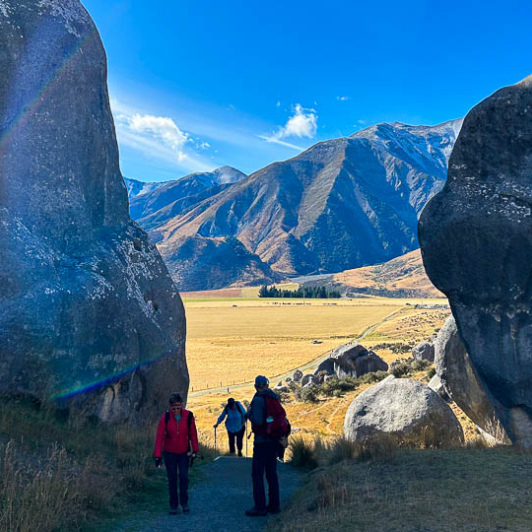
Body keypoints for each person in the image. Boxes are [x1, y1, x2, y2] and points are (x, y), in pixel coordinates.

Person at [245, 375, 289, 517]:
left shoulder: (258, 400)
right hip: (274, 442)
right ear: (267, 385)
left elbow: (257, 421)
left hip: (261, 442)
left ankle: (260, 507)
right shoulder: (273, 397)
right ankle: (274, 506)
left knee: (257, 475)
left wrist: (249, 413)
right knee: (271, 474)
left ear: (256, 386)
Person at [154, 393, 199, 515]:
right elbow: (159, 437)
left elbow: (193, 434)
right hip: (169, 453)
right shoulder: (166, 418)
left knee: (184, 477)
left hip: (184, 452)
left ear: (182, 406)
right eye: (173, 409)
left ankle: (184, 503)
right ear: (170, 407)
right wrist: (157, 455)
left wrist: (195, 450)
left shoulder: (189, 416)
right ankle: (173, 505)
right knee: (172, 479)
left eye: (178, 408)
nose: (176, 411)